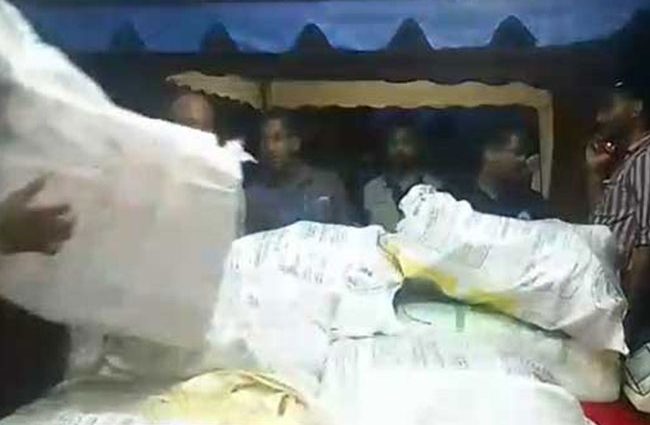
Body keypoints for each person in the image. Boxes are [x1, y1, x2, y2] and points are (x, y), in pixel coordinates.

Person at [587, 82, 650, 352]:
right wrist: (594, 173)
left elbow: (646, 244)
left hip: (629, 308)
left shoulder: (646, 159)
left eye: (608, 108)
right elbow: (598, 228)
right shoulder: (626, 162)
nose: (600, 118)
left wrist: (627, 320)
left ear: (636, 108)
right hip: (609, 296)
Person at [245, 111, 353, 233]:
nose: (270, 148)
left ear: (295, 143)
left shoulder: (327, 185)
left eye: (278, 139)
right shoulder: (254, 197)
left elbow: (346, 234)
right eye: (265, 140)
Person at [363, 125, 443, 231]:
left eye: (406, 143)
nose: (399, 149)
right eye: (394, 144)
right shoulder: (371, 189)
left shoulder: (435, 189)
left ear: (417, 147)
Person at [467, 128, 551, 220]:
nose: (522, 159)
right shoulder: (464, 203)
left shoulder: (535, 204)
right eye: (517, 152)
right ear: (491, 154)